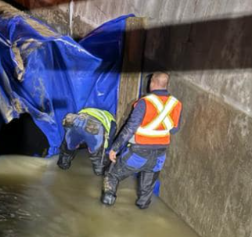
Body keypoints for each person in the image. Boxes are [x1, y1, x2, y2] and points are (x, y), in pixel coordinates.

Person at [102, 72, 183, 209]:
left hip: (138, 153)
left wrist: (114, 149)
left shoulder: (144, 102)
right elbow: (174, 130)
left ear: (152, 82)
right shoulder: (176, 104)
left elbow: (130, 128)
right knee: (146, 190)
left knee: (112, 175)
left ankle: (105, 208)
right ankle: (142, 208)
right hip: (159, 156)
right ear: (167, 84)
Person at [57, 107, 117, 176]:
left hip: (76, 120)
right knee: (99, 161)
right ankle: (99, 174)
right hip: (94, 130)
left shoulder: (89, 110)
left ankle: (63, 164)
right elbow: (106, 146)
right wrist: (101, 151)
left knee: (67, 148)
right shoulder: (112, 122)